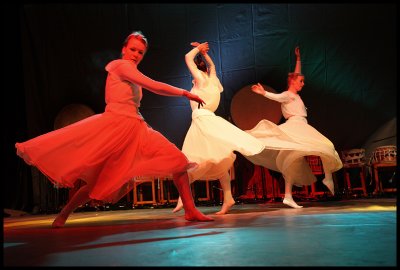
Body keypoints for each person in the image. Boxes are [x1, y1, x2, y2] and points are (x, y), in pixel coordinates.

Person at [15, 31, 213, 228]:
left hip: (136, 127)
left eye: (140, 52)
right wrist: (185, 93)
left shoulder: (130, 72)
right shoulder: (121, 66)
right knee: (97, 183)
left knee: (177, 161)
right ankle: (64, 213)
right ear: (124, 50)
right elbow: (153, 85)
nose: (136, 54)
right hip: (116, 128)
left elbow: (138, 95)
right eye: (133, 49)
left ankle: (190, 210)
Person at [172, 42, 265, 215]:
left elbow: (187, 58)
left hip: (202, 122)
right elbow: (213, 66)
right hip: (209, 121)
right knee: (219, 157)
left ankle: (182, 199)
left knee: (190, 160)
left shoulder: (199, 80)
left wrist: (198, 50)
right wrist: (205, 53)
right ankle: (228, 197)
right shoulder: (213, 80)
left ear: (198, 72)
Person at [246, 46, 343, 208]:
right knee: (324, 146)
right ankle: (325, 179)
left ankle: (291, 195)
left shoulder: (295, 95)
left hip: (302, 126)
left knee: (296, 159)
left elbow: (296, 74)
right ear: (292, 81)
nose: (303, 84)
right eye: (301, 81)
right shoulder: (288, 95)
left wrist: (298, 59)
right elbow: (276, 97)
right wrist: (263, 93)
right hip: (295, 126)